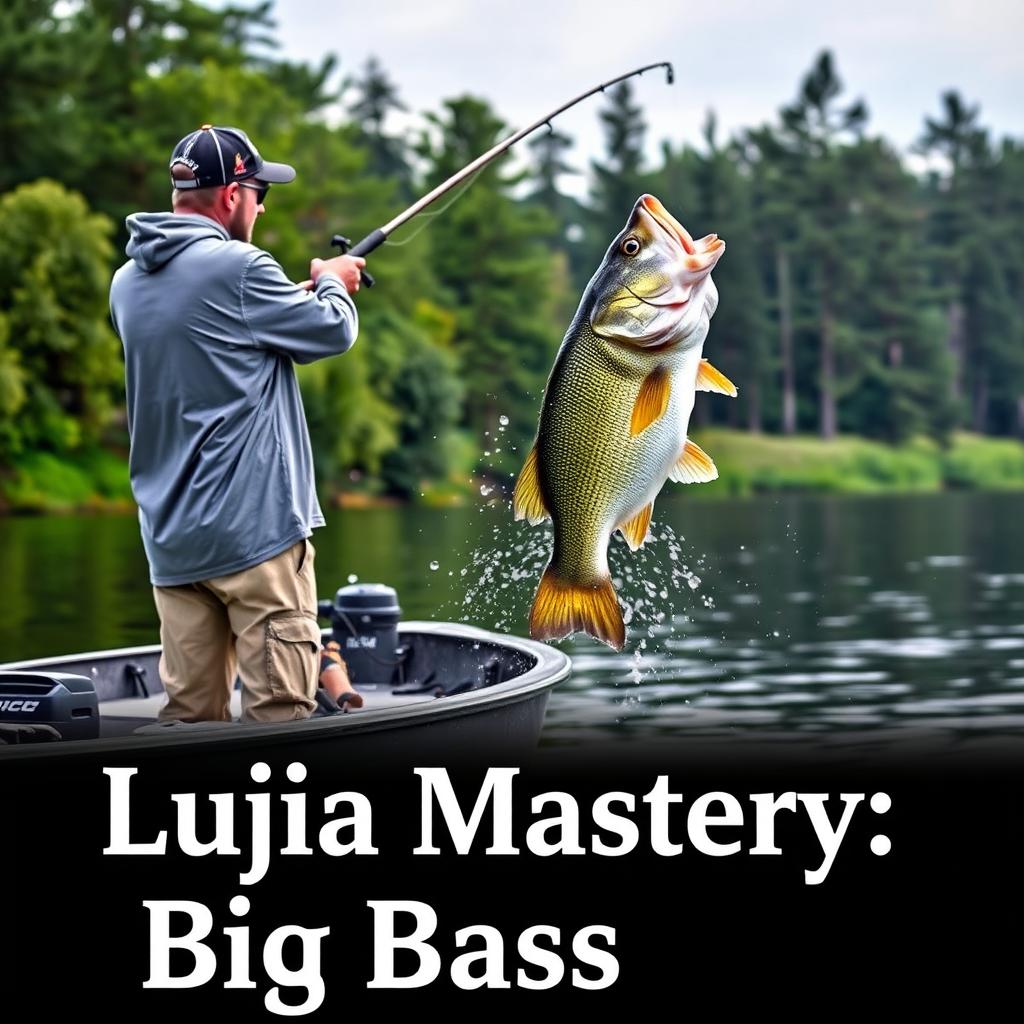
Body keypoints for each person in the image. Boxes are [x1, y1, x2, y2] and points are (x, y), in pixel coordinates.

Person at [109, 124, 366, 724]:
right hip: (256, 540)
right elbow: (332, 330)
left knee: (189, 720)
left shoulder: (126, 284)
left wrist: (276, 305)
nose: (262, 203)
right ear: (231, 196)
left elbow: (213, 342)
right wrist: (334, 283)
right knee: (279, 720)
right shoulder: (241, 267)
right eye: (258, 190)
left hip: (173, 544)